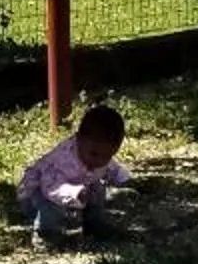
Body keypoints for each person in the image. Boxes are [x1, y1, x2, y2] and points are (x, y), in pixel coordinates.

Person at [18, 104, 128, 242]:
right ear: (78, 139)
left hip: (75, 188)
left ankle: (93, 223)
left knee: (98, 188)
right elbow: (51, 188)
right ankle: (45, 234)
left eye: (107, 156)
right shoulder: (63, 161)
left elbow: (111, 167)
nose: (99, 161)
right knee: (51, 206)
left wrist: (123, 178)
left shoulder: (96, 156)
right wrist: (75, 193)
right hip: (38, 194)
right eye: (94, 154)